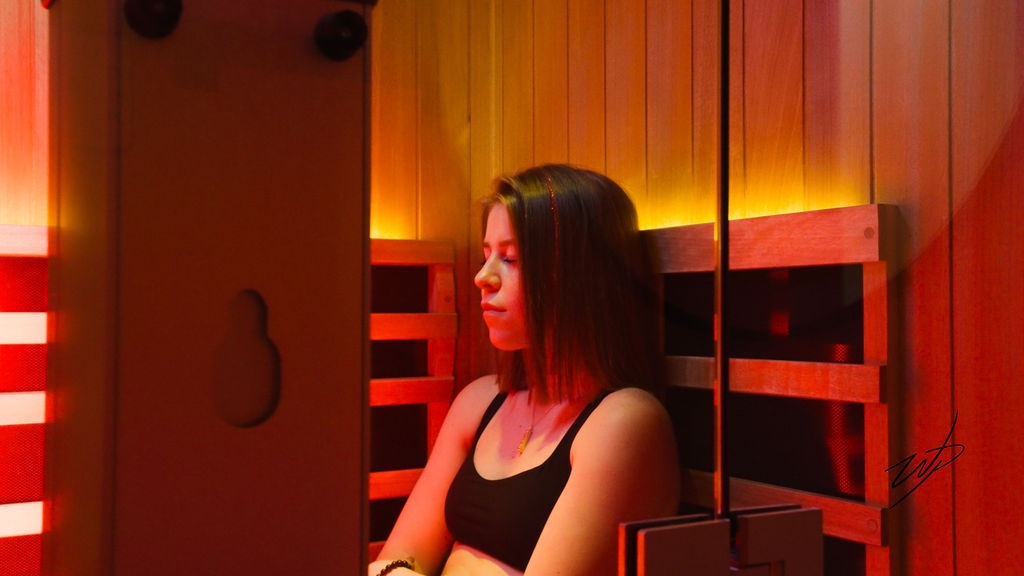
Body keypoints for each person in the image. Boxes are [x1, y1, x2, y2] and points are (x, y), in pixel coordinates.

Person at [368, 164, 680, 576]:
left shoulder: (624, 422)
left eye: (511, 259)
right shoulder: (479, 401)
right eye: (486, 255)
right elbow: (393, 561)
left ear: (578, 275)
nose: (483, 277)